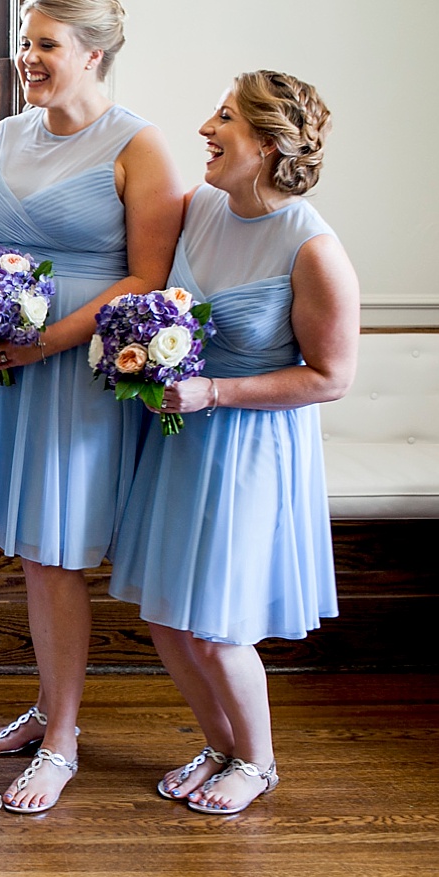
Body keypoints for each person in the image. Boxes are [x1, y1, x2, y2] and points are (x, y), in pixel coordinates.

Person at [0, 0, 183, 814]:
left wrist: (47, 337)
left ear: (92, 53)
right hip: (6, 366)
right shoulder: (5, 134)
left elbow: (148, 276)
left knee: (56, 554)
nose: (28, 57)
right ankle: (48, 704)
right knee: (31, 551)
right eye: (24, 39)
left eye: (45, 44)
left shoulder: (139, 145)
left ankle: (62, 740)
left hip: (79, 368)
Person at [110, 71, 357, 815]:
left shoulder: (311, 248)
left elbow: (331, 377)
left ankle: (259, 761)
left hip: (249, 446)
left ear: (270, 145)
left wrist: (215, 391)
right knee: (164, 614)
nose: (204, 131)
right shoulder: (199, 209)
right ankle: (217, 744)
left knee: (217, 627)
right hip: (181, 438)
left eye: (223, 119)